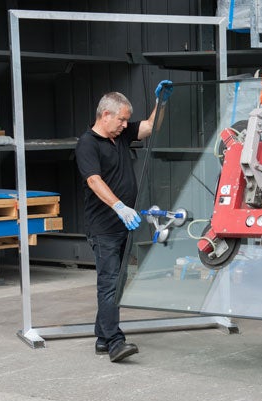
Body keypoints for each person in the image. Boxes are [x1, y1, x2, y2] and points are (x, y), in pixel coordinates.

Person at [75, 80, 173, 363]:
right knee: (109, 284)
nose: (124, 124)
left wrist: (161, 103)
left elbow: (150, 127)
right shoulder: (87, 144)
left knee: (116, 282)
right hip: (103, 226)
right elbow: (94, 180)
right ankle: (116, 342)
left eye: (126, 120)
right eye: (121, 119)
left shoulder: (119, 135)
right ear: (105, 115)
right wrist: (119, 206)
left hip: (123, 225)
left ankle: (102, 338)